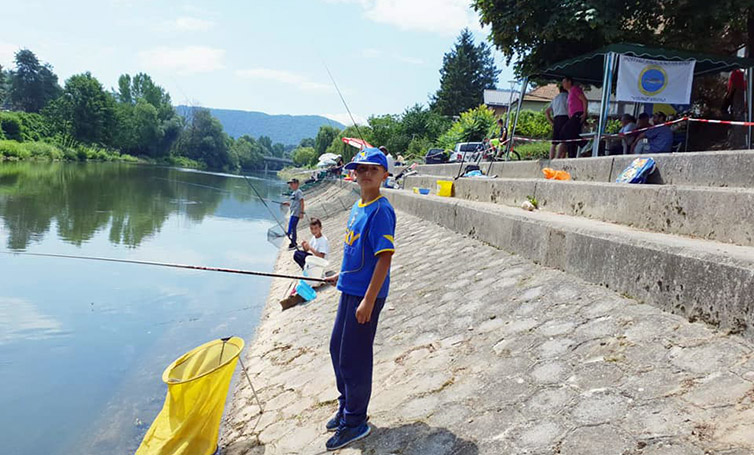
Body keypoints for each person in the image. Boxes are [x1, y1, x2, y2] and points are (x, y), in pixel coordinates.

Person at [323, 148, 396, 450]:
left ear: (384, 176)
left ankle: (355, 421)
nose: (365, 174)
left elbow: (384, 259)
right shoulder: (358, 206)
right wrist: (339, 276)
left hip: (366, 296)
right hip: (348, 289)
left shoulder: (381, 210)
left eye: (373, 170)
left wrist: (368, 301)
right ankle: (345, 405)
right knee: (336, 349)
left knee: (355, 358)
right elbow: (355, 253)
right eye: (360, 169)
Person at [557, 76, 589, 159]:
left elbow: (584, 100)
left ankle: (585, 143)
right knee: (570, 134)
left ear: (569, 82)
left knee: (565, 131)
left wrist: (585, 113)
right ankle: (572, 154)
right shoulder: (569, 93)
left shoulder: (575, 89)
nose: (563, 84)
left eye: (564, 82)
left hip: (578, 113)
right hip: (572, 115)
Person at [545, 86, 569, 159]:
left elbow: (547, 111)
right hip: (565, 118)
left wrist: (551, 122)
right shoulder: (567, 97)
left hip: (556, 118)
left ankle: (551, 158)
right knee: (564, 140)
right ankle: (558, 157)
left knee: (554, 142)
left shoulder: (555, 98)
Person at [281, 178, 304, 249]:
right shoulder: (294, 193)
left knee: (291, 229)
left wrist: (301, 212)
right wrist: (287, 203)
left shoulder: (298, 192)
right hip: (292, 213)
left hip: (296, 213)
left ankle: (294, 243)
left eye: (292, 184)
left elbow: (302, 202)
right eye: (290, 184)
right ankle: (293, 242)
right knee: (292, 228)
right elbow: (294, 203)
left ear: (297, 184)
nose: (290, 185)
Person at [726, 69, 747, 148]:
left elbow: (731, 87)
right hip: (744, 94)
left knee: (738, 118)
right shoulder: (742, 73)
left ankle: (739, 142)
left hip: (738, 94)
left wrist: (728, 98)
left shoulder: (735, 73)